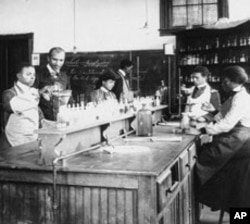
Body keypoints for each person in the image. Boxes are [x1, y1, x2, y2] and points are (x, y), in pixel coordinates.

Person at [196, 65, 250, 212]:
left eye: (225, 82)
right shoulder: (237, 95)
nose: (223, 85)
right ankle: (219, 200)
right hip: (239, 138)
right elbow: (223, 116)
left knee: (204, 158)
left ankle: (211, 199)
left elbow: (226, 124)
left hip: (242, 140)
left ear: (234, 81)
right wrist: (212, 112)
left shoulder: (240, 98)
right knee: (209, 155)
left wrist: (204, 129)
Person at [1, 62, 43, 147]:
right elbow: (10, 106)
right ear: (19, 76)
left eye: (33, 74)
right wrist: (39, 93)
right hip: (14, 141)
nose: (32, 77)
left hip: (32, 138)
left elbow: (39, 115)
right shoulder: (10, 93)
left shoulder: (32, 92)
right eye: (28, 74)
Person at [36, 47, 71, 121]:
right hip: (42, 119)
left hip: (60, 118)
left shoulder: (65, 76)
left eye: (61, 60)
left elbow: (69, 97)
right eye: (55, 59)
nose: (58, 63)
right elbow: (30, 97)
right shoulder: (37, 74)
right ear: (48, 58)